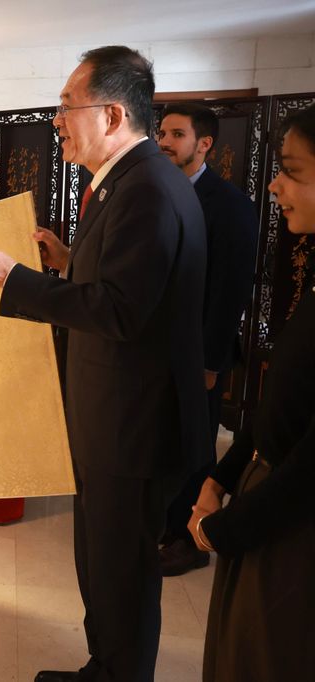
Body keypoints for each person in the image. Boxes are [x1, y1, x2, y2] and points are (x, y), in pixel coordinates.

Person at [0, 46, 208, 681]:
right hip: (120, 419)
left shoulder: (144, 188)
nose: (56, 120)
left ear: (111, 114)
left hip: (132, 427)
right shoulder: (137, 181)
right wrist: (65, 261)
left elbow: (119, 311)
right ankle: (105, 666)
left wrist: (18, 281)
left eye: (65, 106)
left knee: (121, 571)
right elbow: (129, 284)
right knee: (107, 564)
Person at [190, 104, 315, 682]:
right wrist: (225, 472)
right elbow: (287, 399)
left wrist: (235, 527)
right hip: (264, 492)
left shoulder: (229, 207)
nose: (274, 185)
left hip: (289, 517)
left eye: (291, 170)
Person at [155, 103, 259, 576]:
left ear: (205, 144)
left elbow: (230, 292)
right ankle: (168, 524)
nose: (164, 142)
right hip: (160, 348)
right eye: (161, 133)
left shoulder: (230, 205)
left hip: (201, 353)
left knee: (196, 445)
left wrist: (211, 362)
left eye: (177, 134)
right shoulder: (160, 193)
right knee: (167, 440)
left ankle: (190, 541)